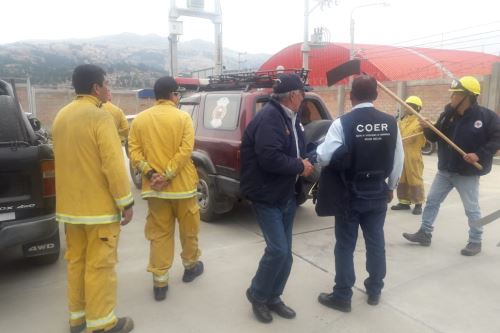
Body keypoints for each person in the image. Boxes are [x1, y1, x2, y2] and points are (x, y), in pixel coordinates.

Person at [52, 64, 134, 333]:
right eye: (106, 84)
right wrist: (126, 202)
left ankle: (77, 319)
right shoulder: (99, 117)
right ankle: (102, 324)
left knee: (76, 263)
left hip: (70, 210)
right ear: (95, 88)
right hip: (97, 210)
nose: (108, 89)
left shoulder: (61, 116)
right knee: (100, 266)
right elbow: (113, 164)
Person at [316, 74, 404, 312]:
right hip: (378, 191)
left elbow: (324, 157)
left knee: (345, 245)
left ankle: (342, 295)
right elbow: (398, 161)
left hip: (349, 193)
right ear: (376, 96)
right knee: (376, 243)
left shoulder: (341, 124)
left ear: (352, 96)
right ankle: (374, 290)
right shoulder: (390, 123)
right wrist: (391, 187)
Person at [240, 73, 314, 323]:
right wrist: (299, 166)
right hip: (267, 195)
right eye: (303, 93)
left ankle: (274, 296)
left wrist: (312, 157)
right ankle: (257, 294)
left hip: (287, 195)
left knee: (286, 253)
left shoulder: (291, 118)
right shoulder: (270, 118)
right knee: (278, 250)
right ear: (293, 95)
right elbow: (269, 158)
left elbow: (298, 150)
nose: (304, 97)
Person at [403, 76, 500, 256]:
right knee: (432, 201)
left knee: (471, 208)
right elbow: (434, 138)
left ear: (467, 96)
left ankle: (475, 240)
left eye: (455, 94)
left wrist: (479, 154)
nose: (451, 98)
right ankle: (425, 233)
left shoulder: (487, 117)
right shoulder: (447, 115)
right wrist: (427, 128)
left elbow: (497, 140)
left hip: (467, 173)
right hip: (445, 170)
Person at [128, 76, 203, 302]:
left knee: (159, 234)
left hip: (155, 190)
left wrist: (151, 174)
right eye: (178, 93)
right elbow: (185, 151)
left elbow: (133, 152)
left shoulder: (140, 120)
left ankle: (160, 283)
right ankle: (190, 267)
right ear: (173, 94)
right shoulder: (183, 118)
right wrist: (168, 174)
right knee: (189, 230)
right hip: (183, 188)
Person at [391, 96, 426, 215]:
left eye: (409, 106)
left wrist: (427, 125)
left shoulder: (421, 121)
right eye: (406, 106)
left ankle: (418, 203)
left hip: (413, 154)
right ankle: (404, 202)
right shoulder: (402, 120)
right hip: (401, 153)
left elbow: (430, 131)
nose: (406, 108)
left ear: (417, 108)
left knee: (414, 178)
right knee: (401, 178)